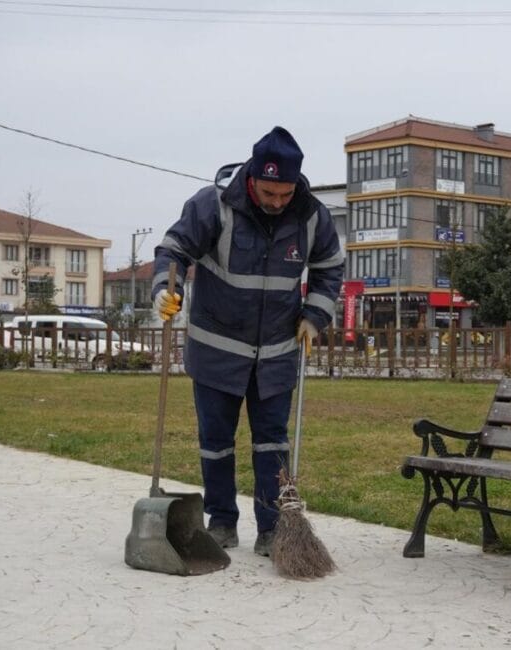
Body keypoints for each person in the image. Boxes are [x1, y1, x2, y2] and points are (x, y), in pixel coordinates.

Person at [151, 126, 344, 558]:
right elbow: (173, 251)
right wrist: (166, 290)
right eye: (269, 193)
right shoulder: (212, 206)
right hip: (217, 349)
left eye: (285, 194)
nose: (277, 203)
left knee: (272, 442)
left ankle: (273, 529)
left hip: (276, 353)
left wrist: (314, 316)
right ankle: (221, 523)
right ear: (253, 178)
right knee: (215, 442)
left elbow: (330, 269)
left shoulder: (311, 215)